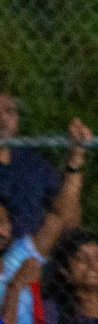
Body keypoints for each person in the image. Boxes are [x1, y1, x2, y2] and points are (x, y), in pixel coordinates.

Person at [0, 120, 90, 324]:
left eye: (1, 221)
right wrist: (14, 287)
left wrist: (75, 160)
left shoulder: (21, 256)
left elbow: (60, 216)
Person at [0, 91, 64, 240]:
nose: (2, 119)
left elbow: (64, 216)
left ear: (17, 119)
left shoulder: (34, 164)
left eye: (9, 111)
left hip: (33, 253)